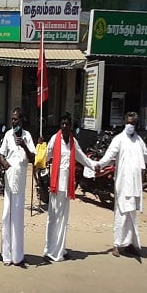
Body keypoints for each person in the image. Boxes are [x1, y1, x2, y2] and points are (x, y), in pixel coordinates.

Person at [97, 111, 147, 258]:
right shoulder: (119, 139)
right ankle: (116, 244)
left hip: (135, 184)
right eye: (128, 122)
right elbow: (109, 156)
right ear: (124, 123)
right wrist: (99, 165)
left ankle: (129, 244)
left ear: (136, 125)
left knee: (131, 215)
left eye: (133, 123)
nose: (130, 125)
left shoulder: (139, 141)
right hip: (122, 183)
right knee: (121, 212)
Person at [43, 112, 97, 262]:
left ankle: (61, 248)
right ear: (60, 125)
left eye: (67, 124)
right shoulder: (55, 139)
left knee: (63, 219)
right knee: (53, 218)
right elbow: (45, 157)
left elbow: (81, 157)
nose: (65, 127)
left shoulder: (73, 141)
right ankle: (50, 251)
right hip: (55, 186)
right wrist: (40, 149)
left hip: (67, 187)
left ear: (71, 125)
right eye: (63, 124)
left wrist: (95, 166)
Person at [0, 107, 35, 267]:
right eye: (12, 120)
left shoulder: (27, 136)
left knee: (18, 220)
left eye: (16, 120)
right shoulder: (7, 135)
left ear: (22, 120)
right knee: (6, 217)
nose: (13, 122)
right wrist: (5, 163)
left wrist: (25, 146)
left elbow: (33, 158)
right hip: (9, 183)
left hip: (20, 185)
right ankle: (6, 256)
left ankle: (18, 256)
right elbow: (1, 154)